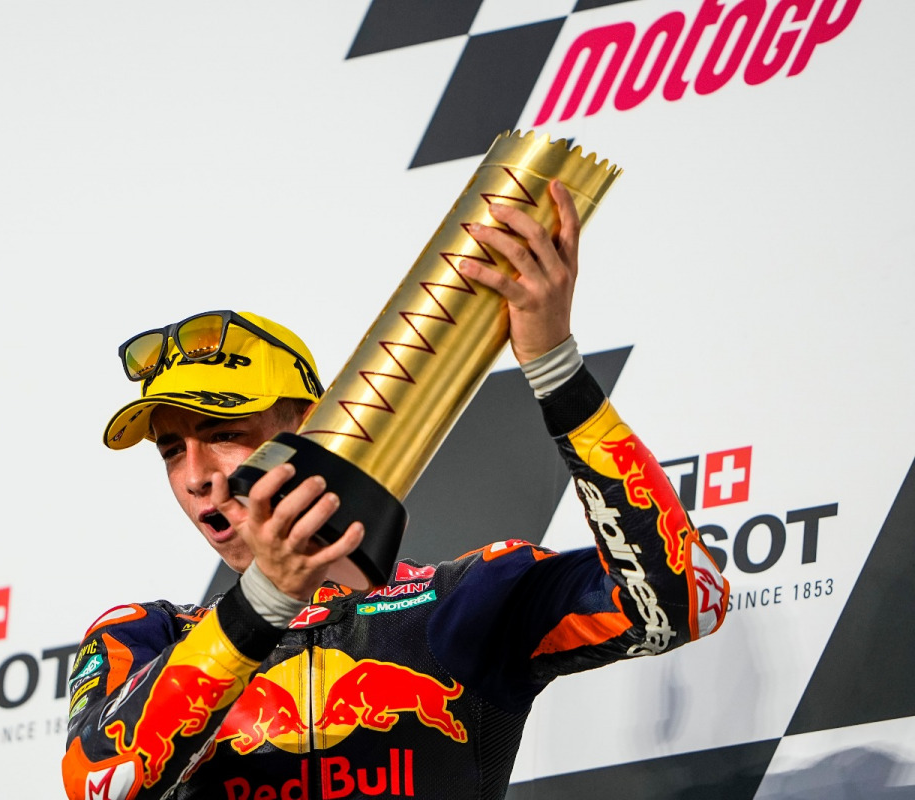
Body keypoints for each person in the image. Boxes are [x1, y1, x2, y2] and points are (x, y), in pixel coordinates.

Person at [61, 181, 730, 799]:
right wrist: (267, 599)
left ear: (307, 430)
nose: (195, 473)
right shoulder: (141, 639)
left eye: (224, 433)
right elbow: (103, 782)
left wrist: (556, 368)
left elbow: (683, 600)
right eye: (172, 450)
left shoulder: (463, 603)